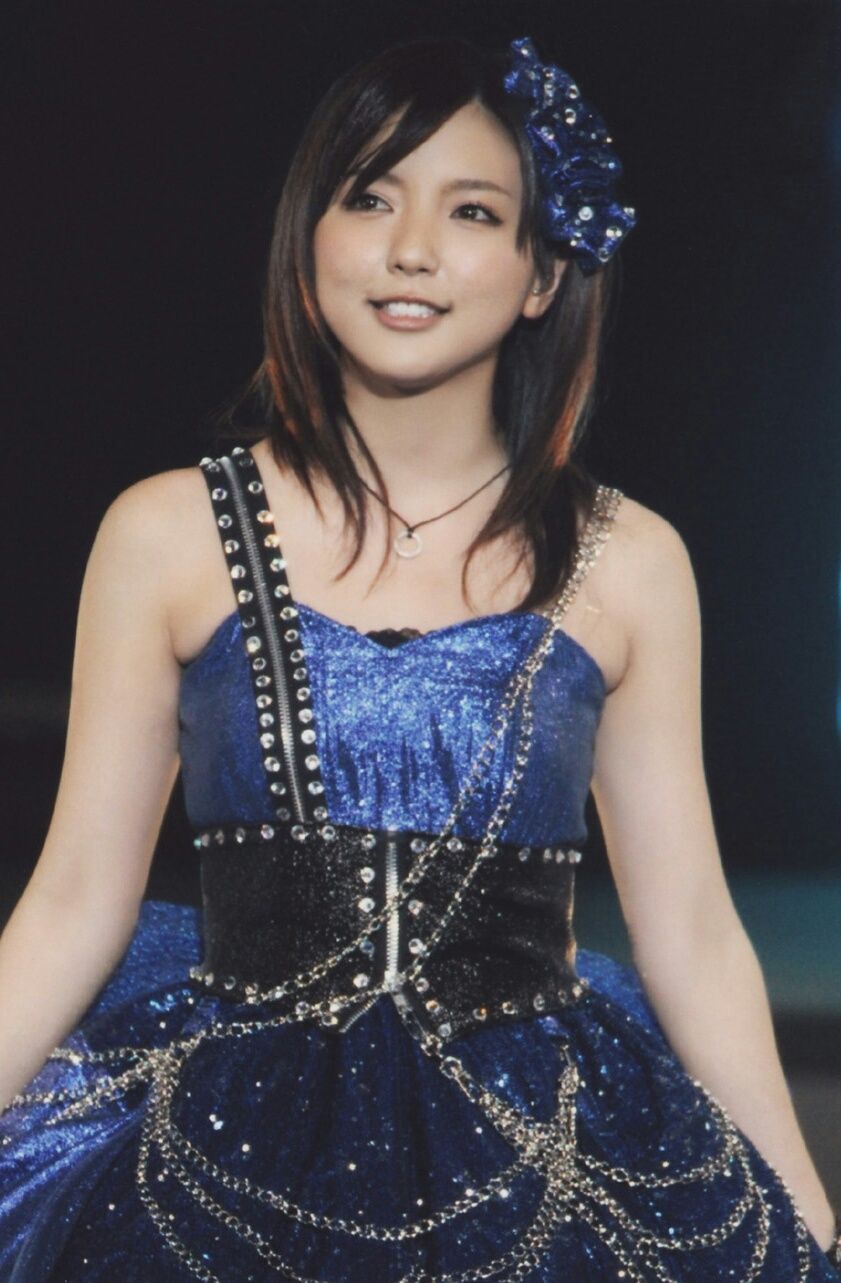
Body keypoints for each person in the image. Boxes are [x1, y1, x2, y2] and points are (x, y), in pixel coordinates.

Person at [0, 32, 837, 1283]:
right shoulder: (166, 534)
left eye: (472, 211)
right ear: (307, 238)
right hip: (220, 1134)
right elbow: (74, 899)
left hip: (543, 1141)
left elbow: (691, 929)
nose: (410, 248)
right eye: (370, 197)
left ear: (541, 273)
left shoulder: (627, 559)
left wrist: (810, 1216)